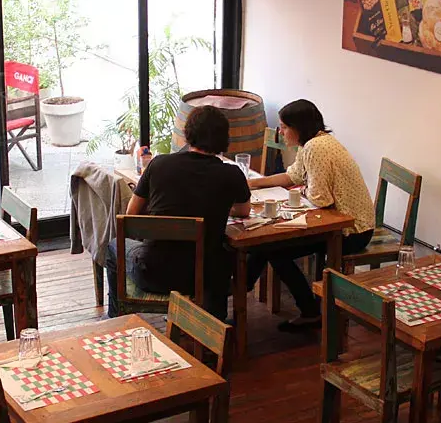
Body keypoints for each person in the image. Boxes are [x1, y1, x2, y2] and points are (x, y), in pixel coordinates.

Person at [105, 105, 251, 320]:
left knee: (113, 246)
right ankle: (213, 329)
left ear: (188, 133)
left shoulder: (159, 164)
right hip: (202, 277)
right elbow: (244, 209)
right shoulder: (231, 173)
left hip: (153, 273)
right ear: (223, 138)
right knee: (220, 256)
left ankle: (116, 320)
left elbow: (131, 215)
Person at [247, 99, 375, 332]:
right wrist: (255, 183)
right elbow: (292, 176)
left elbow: (321, 199)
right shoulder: (313, 143)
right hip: (343, 222)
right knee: (271, 248)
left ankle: (309, 312)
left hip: (351, 230)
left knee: (274, 250)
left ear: (299, 127)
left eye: (284, 127)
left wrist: (302, 190)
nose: (281, 132)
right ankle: (243, 284)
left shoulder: (317, 148)